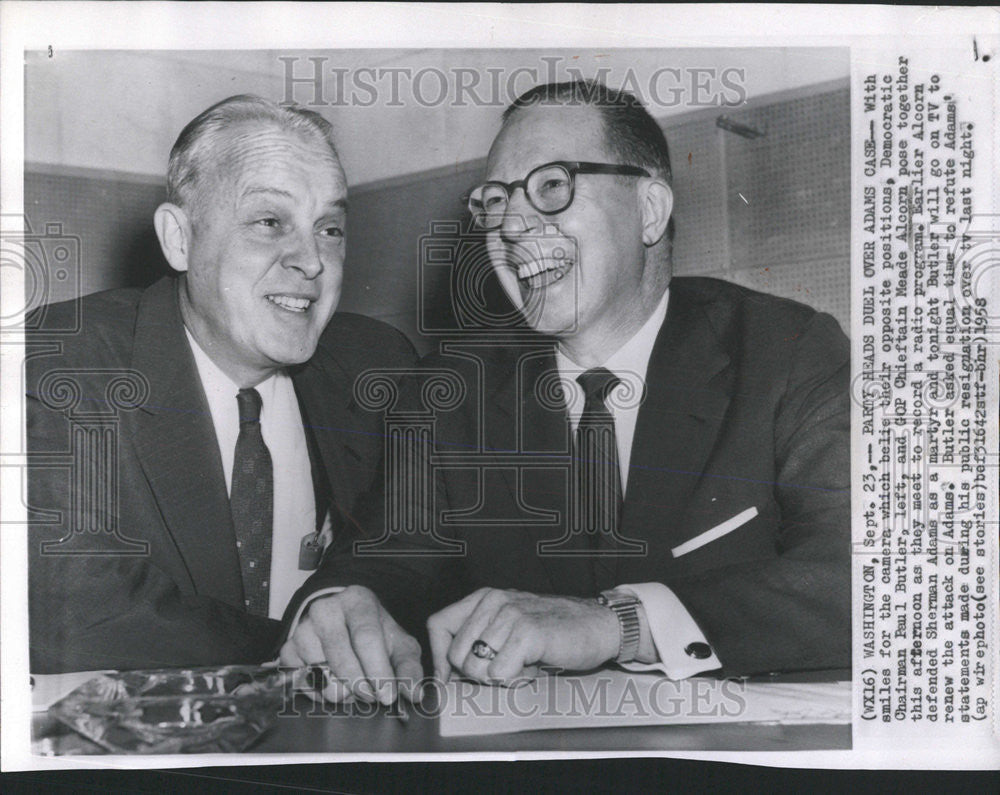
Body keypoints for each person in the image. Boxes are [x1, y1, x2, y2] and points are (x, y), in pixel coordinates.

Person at [280, 80, 850, 706]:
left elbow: (871, 577)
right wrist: (339, 606)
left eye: (552, 186)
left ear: (650, 209)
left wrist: (620, 624)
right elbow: (385, 562)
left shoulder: (787, 352)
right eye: (495, 201)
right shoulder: (450, 387)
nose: (513, 227)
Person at [27, 95, 415, 673]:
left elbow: (426, 562)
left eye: (330, 228)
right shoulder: (58, 364)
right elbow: (75, 614)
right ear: (179, 239)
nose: (312, 261)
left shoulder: (378, 367)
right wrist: (299, 644)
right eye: (269, 222)